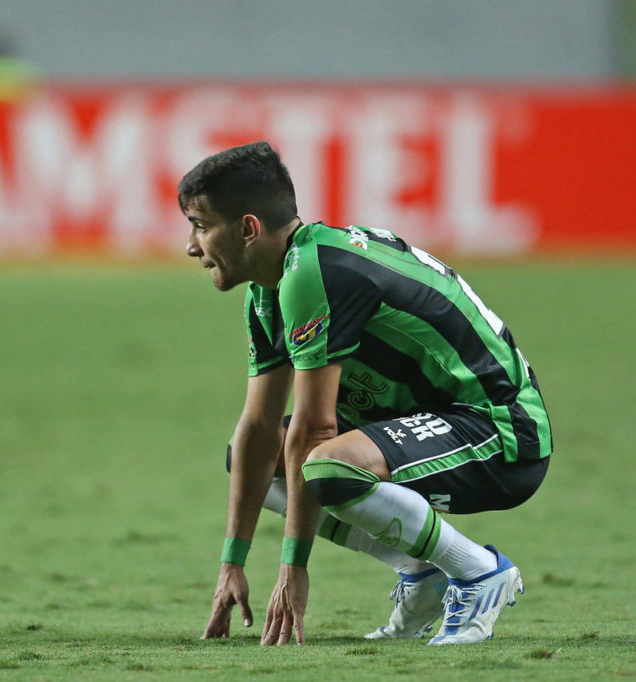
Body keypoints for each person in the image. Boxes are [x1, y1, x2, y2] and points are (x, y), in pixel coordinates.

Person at [179, 141, 552, 646]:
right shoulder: (269, 288)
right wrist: (232, 564)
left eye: (201, 225)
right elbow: (259, 428)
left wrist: (293, 569)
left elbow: (316, 430)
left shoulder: (314, 273)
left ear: (248, 228)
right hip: (427, 419)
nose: (192, 246)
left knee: (327, 464)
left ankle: (480, 573)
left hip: (501, 432)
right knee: (258, 463)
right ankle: (423, 574)